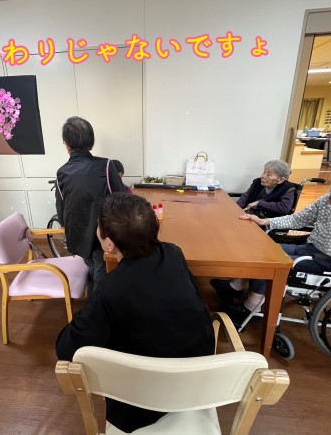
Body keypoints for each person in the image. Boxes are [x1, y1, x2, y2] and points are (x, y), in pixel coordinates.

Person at [56, 193, 214, 433]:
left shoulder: (109, 289)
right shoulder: (173, 253)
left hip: (142, 404)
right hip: (197, 380)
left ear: (109, 243)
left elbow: (67, 349)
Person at [221, 166, 331, 327]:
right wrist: (265, 221)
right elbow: (298, 219)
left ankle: (251, 308)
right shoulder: (328, 200)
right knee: (260, 249)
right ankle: (236, 287)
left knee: (272, 262)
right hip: (314, 249)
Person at [55, 116, 124, 292]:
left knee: (93, 266)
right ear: (91, 142)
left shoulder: (61, 173)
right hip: (102, 236)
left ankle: (95, 294)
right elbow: (121, 201)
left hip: (77, 236)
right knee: (100, 271)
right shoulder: (106, 166)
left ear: (67, 145)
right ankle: (99, 301)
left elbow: (61, 212)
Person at [211, 160, 295, 303]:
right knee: (224, 231)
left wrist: (260, 202)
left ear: (281, 179)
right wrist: (235, 211)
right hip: (250, 218)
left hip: (267, 224)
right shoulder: (257, 183)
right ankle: (236, 284)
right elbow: (244, 199)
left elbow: (284, 208)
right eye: (264, 172)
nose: (263, 176)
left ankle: (236, 285)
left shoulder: (288, 189)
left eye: (269, 174)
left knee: (240, 242)